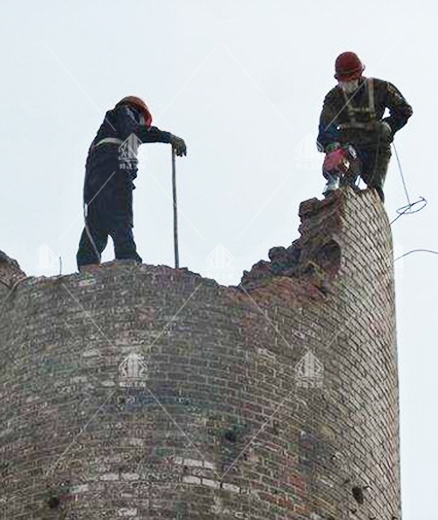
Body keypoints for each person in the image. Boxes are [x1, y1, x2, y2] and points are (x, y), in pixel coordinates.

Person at [76, 96, 186, 270]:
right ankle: (128, 260)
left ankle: (87, 265)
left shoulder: (111, 130)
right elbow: (135, 132)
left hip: (97, 176)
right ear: (139, 112)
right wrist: (168, 137)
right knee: (120, 214)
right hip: (111, 171)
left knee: (97, 219)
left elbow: (127, 162)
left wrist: (127, 178)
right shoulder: (125, 113)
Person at [317, 52, 412, 201]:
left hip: (376, 146)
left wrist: (389, 125)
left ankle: (371, 216)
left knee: (374, 192)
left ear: (359, 75)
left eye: (350, 80)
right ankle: (342, 211)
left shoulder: (380, 88)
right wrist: (330, 144)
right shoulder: (333, 97)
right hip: (349, 147)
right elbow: (326, 122)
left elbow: (404, 110)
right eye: (342, 81)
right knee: (344, 187)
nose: (346, 84)